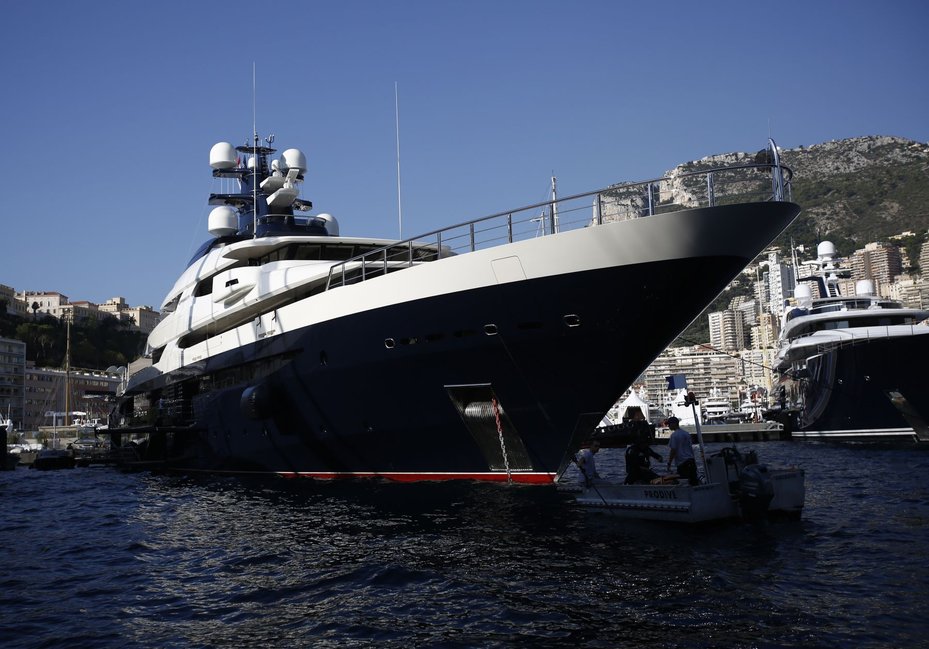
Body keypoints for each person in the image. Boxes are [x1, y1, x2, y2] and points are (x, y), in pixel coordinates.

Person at [666, 416, 699, 485]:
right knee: (694, 483)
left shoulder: (674, 435)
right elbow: (690, 448)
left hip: (683, 463)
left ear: (674, 424)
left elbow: (673, 450)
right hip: (691, 461)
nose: (668, 426)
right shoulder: (686, 433)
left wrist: (669, 463)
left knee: (684, 483)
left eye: (669, 424)